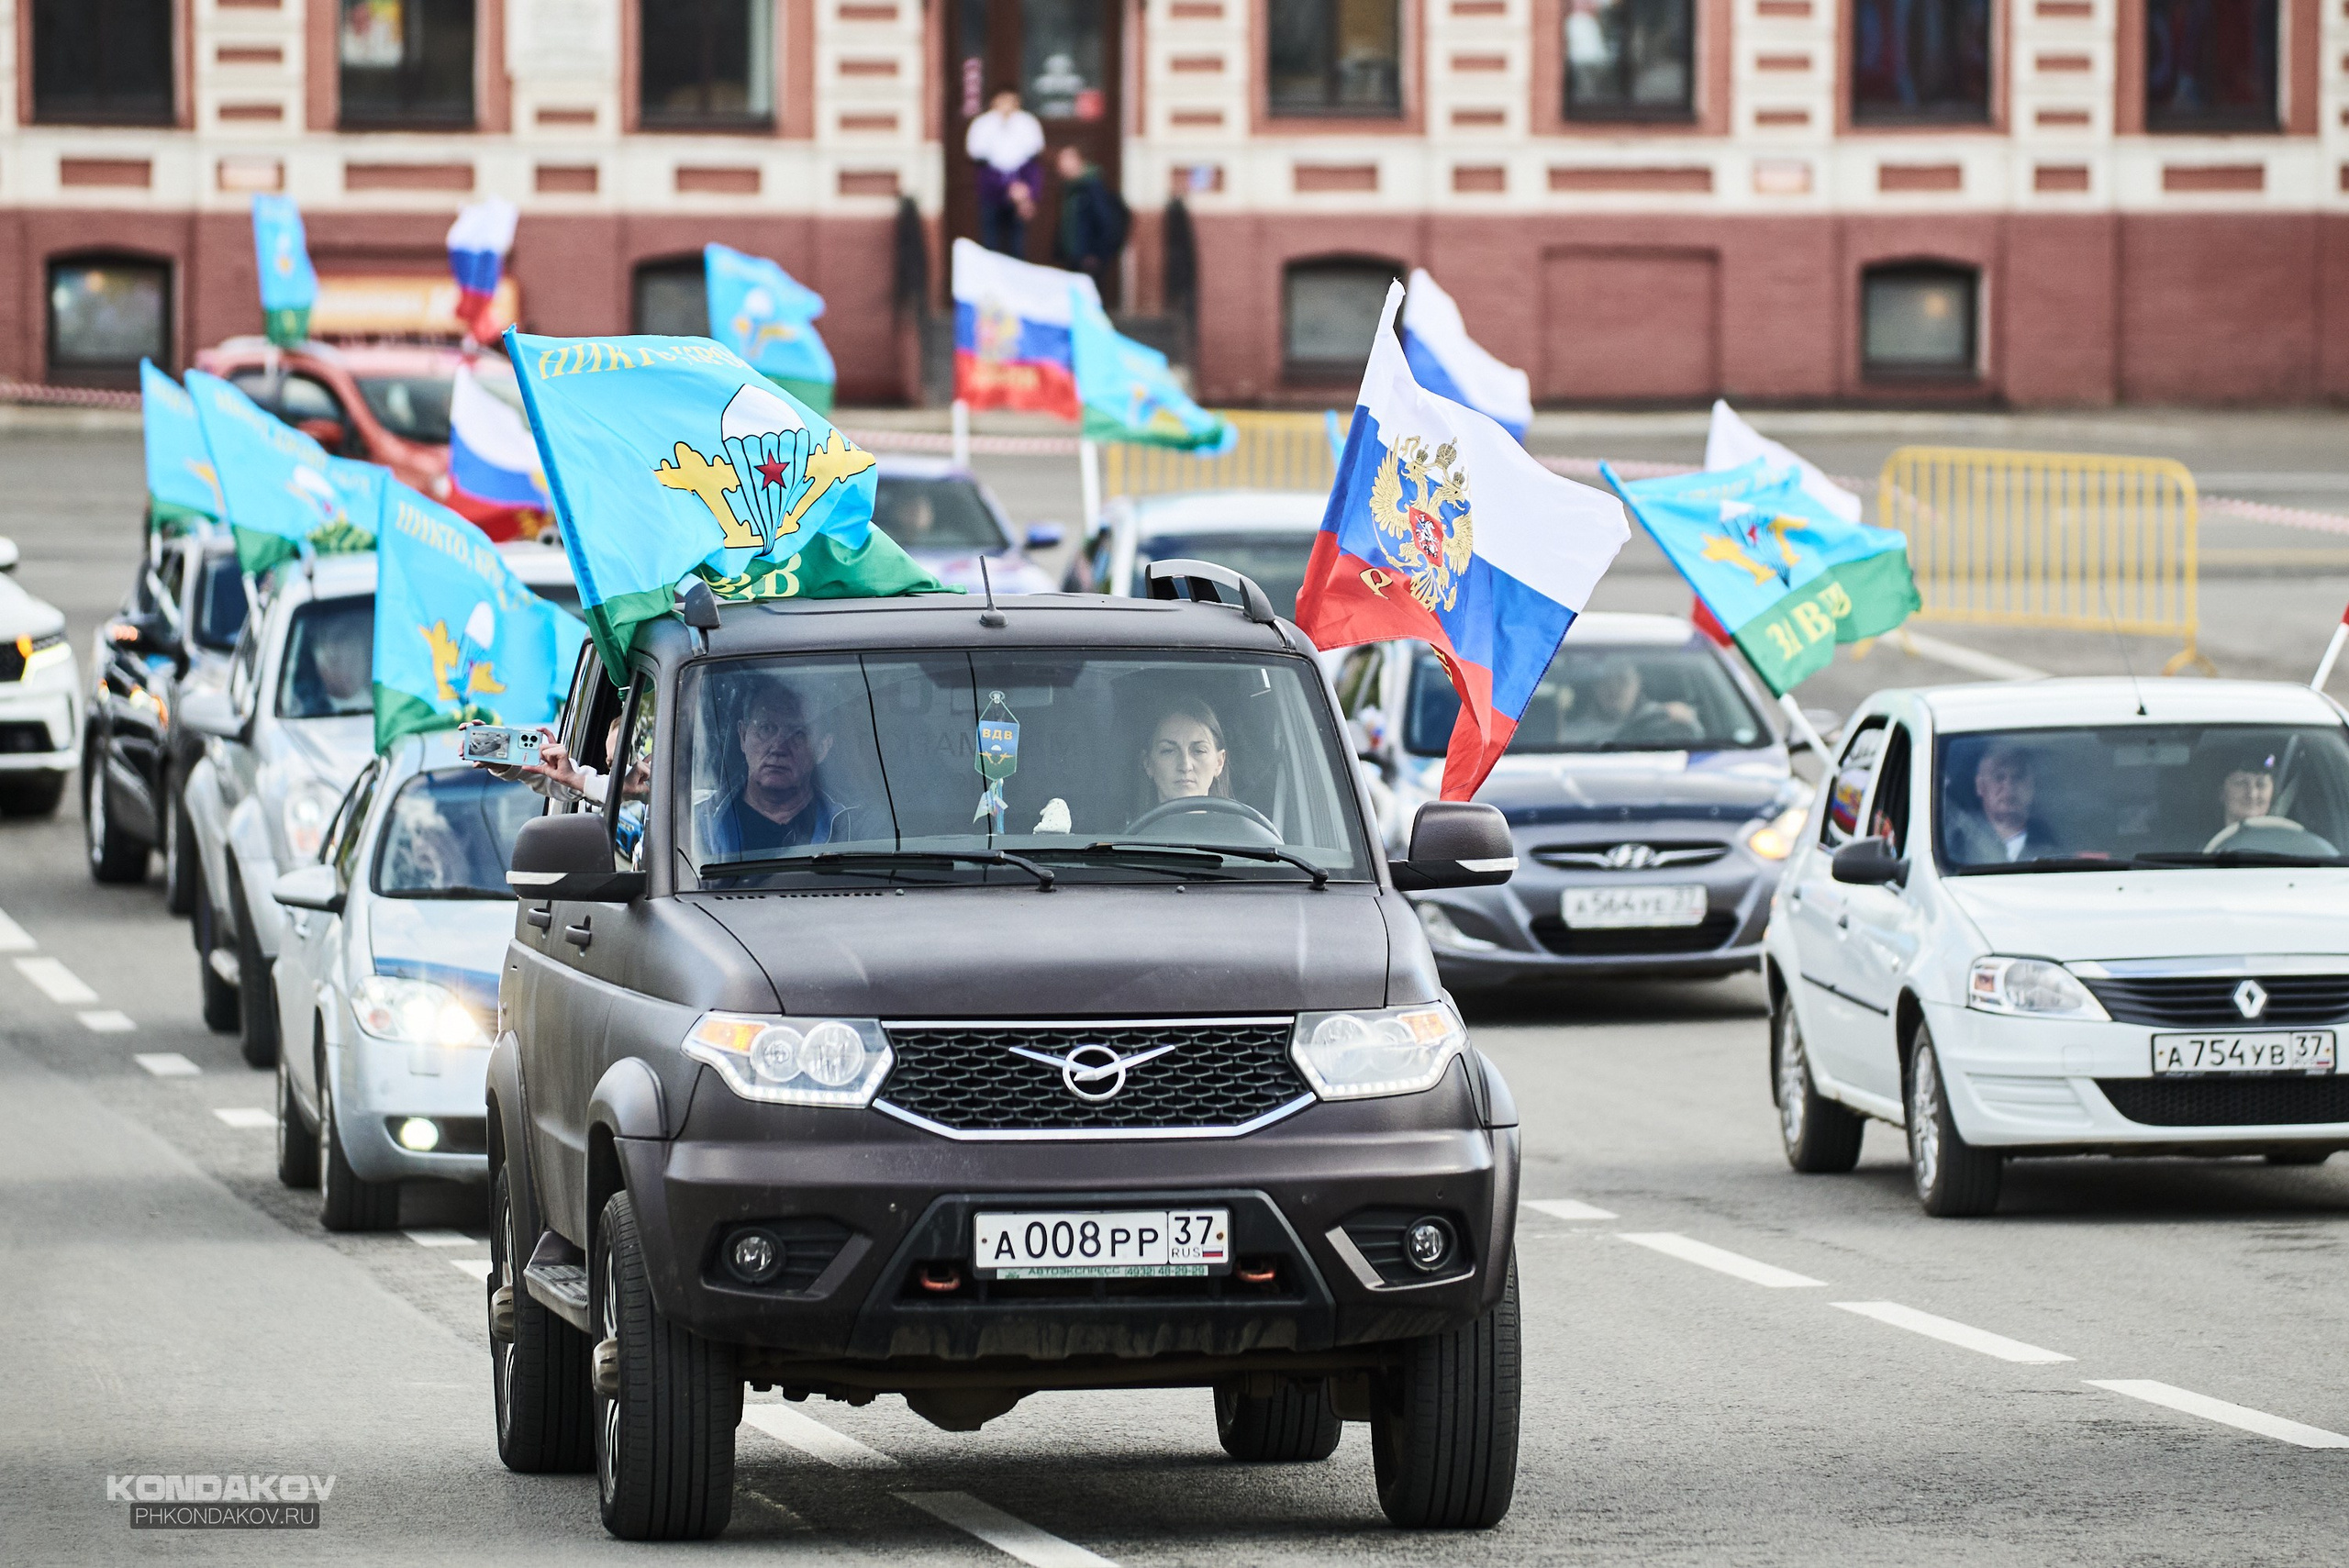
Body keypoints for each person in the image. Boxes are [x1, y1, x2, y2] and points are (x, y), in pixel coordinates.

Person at [695, 679, 855, 858]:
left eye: (798, 734)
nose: (778, 747)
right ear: (743, 736)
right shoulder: (698, 827)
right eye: (766, 728)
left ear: (823, 747)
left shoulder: (851, 827)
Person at [1945, 741, 2060, 863]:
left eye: (2017, 777)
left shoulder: (2056, 850)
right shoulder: (1955, 844)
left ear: (2031, 787)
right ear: (1980, 786)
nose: (2008, 786)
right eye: (1999, 777)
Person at [966, 89, 1043, 258]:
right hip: (992, 192)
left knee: (1017, 243)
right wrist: (1006, 186)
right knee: (990, 242)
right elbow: (980, 159)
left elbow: (1032, 161)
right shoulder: (983, 124)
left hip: (1020, 192)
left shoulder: (1027, 123)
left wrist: (1028, 191)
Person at [1554, 658, 1698, 746]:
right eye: (1605, 681)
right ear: (1594, 687)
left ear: (1638, 683)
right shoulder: (1572, 736)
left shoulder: (1667, 719)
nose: (1614, 689)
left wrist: (1682, 719)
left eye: (1622, 680)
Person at [1051, 145, 1130, 296]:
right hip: (1074, 256)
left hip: (1088, 258)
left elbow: (1105, 221)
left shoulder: (1092, 187)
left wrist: (1096, 253)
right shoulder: (1069, 189)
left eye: (1064, 160)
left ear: (1077, 161)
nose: (1060, 166)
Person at [1141, 698, 1231, 806]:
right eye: (1168, 751)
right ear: (1148, 763)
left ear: (1219, 762)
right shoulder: (1132, 824)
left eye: (1199, 751)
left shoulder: (1245, 823)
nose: (1185, 766)